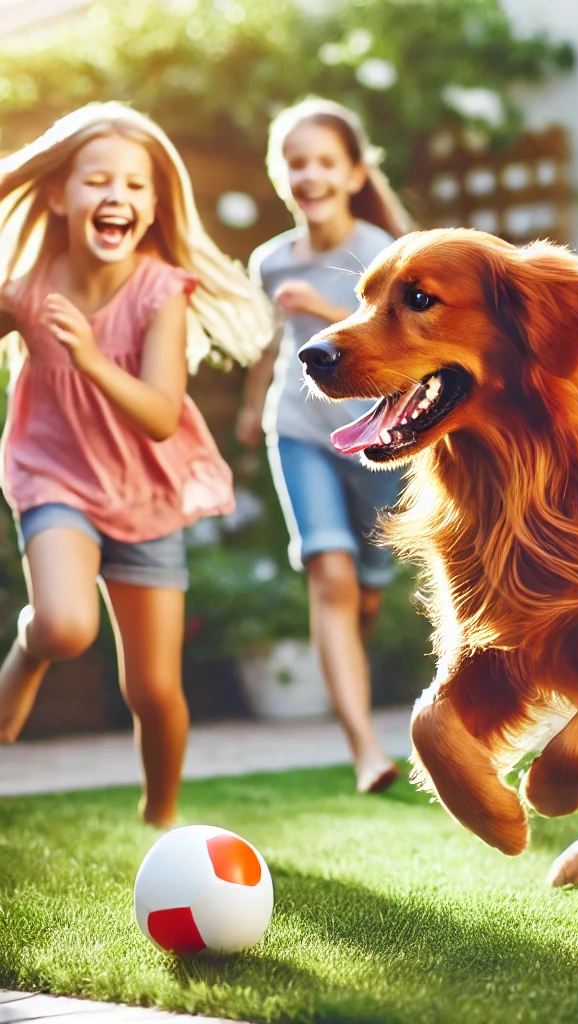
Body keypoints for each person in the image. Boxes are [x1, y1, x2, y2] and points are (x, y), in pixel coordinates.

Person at [0, 102, 272, 827]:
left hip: (148, 493)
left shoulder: (161, 293)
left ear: (153, 206)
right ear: (58, 195)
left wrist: (88, 357)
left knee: (153, 689)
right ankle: (28, 654)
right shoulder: (28, 287)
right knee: (64, 625)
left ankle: (161, 817)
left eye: (135, 185)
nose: (117, 195)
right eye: (96, 180)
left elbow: (157, 414)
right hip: (52, 476)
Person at [236, 97, 414, 794]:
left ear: (352, 173)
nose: (308, 175)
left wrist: (328, 309)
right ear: (281, 176)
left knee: (365, 589)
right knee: (328, 574)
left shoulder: (379, 249)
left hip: (378, 433)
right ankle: (365, 749)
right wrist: (255, 410)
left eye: (323, 162)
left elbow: (402, 332)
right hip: (299, 429)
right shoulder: (269, 260)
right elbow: (267, 345)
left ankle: (366, 613)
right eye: (295, 162)